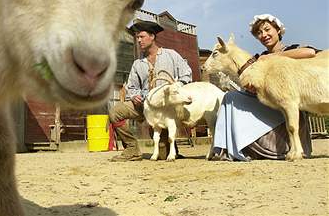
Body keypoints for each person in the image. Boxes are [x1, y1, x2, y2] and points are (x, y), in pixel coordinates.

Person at [211, 14, 319, 161]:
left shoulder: (291, 49)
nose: (264, 35)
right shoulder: (258, 58)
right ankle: (227, 148)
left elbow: (310, 52)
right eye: (259, 33)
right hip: (270, 106)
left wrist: (272, 57)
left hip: (293, 108)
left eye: (267, 29)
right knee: (231, 97)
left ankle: (290, 145)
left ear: (278, 30)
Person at [109, 20, 192, 162]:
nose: (138, 40)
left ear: (152, 36)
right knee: (115, 112)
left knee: (162, 156)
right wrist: (134, 96)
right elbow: (132, 87)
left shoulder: (171, 55)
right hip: (144, 106)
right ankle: (131, 149)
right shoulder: (137, 64)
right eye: (137, 37)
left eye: (141, 36)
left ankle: (169, 147)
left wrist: (176, 86)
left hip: (166, 109)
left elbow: (187, 74)